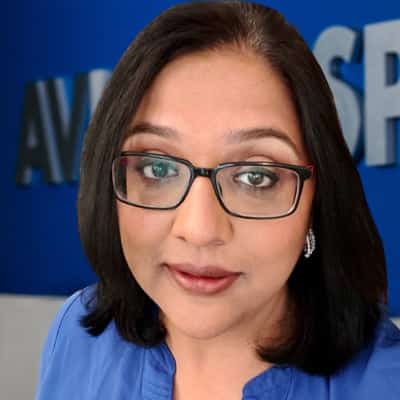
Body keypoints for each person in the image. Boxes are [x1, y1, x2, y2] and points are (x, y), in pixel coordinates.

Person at [35, 1, 400, 399]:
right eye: (158, 169)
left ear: (317, 200)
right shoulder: (78, 330)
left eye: (255, 176)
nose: (200, 230)